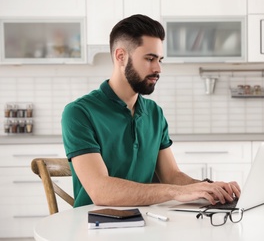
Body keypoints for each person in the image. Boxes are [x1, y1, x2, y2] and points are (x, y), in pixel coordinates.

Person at [61, 14, 241, 208]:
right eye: (149, 59)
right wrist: (176, 192)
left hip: (146, 222)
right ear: (121, 56)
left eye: (160, 60)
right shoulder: (79, 113)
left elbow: (171, 176)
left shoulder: (154, 113)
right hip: (94, 228)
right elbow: (101, 191)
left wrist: (212, 189)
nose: (158, 68)